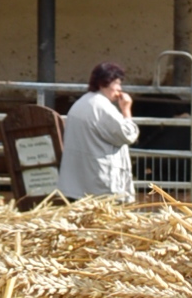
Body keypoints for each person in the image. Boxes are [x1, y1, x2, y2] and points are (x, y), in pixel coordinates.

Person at [57, 59, 139, 200]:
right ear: (103, 83)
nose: (120, 88)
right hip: (100, 185)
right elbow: (128, 135)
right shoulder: (102, 107)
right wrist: (126, 110)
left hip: (78, 183)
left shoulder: (81, 102)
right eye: (116, 83)